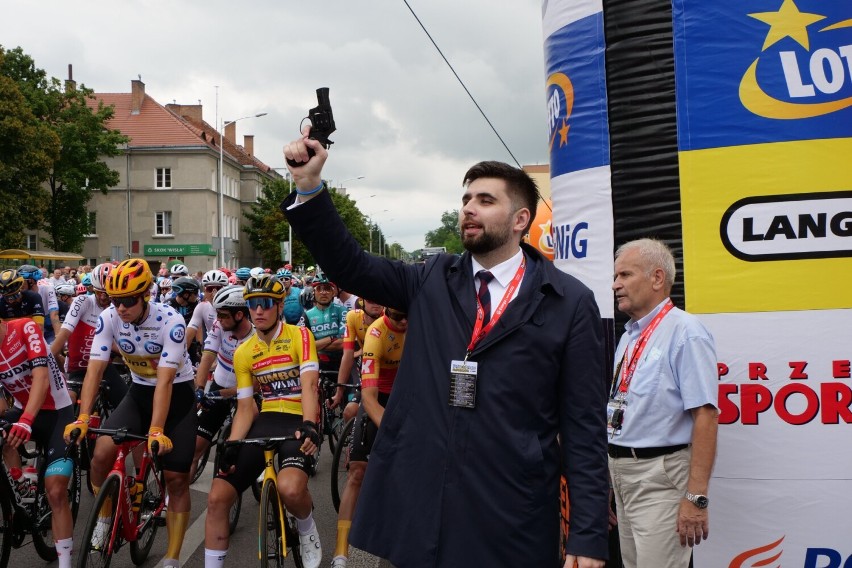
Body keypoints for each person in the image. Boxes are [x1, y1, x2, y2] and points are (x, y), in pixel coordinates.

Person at [282, 134, 609, 567]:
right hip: (424, 505)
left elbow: (583, 426)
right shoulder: (431, 278)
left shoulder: (568, 301)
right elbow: (350, 265)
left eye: (486, 200)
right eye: (466, 198)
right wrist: (309, 186)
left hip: (512, 511)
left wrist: (587, 536)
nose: (469, 208)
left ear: (520, 219)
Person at [64, 258, 197, 568]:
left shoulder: (171, 321)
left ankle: (173, 557)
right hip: (139, 392)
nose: (120, 307)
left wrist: (155, 430)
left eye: (127, 300)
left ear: (145, 296)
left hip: (176, 394)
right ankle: (105, 517)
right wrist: (83, 417)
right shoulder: (110, 317)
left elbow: (164, 381)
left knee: (177, 478)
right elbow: (95, 370)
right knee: (99, 456)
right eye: (114, 300)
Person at [608, 238, 719, 568]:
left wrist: (695, 498)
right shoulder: (630, 335)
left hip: (660, 478)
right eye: (616, 276)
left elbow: (705, 415)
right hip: (623, 473)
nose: (615, 285)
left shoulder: (687, 332)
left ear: (657, 278)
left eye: (625, 275)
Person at [204, 274, 322, 568]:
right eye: (254, 304)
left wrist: (310, 424)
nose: (259, 310)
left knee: (291, 489)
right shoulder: (245, 351)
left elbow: (308, 386)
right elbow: (245, 407)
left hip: (298, 417)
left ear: (280, 306)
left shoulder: (300, 336)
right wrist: (232, 443)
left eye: (266, 303)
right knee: (218, 497)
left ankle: (307, 528)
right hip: (267, 418)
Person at [331, 307, 408, 568]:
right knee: (357, 472)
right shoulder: (377, 331)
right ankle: (341, 552)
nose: (406, 320)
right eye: (400, 316)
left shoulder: (421, 325)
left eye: (410, 313)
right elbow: (369, 397)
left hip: (409, 396)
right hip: (378, 396)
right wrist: (393, 430)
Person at [0, 317, 77, 568]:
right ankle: (21, 485)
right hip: (24, 411)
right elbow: (1, 407)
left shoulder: (25, 328)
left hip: (57, 412)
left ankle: (65, 563)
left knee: (55, 491)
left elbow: (41, 379)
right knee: (4, 437)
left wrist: (25, 421)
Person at [189, 284, 255, 481]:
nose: (218, 319)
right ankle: (171, 503)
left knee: (247, 451)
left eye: (223, 315)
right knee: (194, 450)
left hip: (248, 393)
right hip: (219, 386)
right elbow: (208, 357)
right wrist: (200, 389)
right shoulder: (220, 326)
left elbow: (257, 385)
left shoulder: (257, 338)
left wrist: (220, 394)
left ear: (240, 315)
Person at [51, 263, 128, 408]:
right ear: (92, 288)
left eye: (108, 293)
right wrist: (45, 361)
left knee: (125, 405)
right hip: (78, 366)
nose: (103, 297)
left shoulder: (118, 309)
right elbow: (64, 333)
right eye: (99, 292)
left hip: (103, 367)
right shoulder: (83, 301)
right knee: (68, 402)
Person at [333, 298, 385, 422]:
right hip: (370, 373)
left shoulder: (390, 319)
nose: (376, 302)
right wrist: (339, 391)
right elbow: (347, 355)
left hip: (390, 376)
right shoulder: (353, 317)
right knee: (349, 412)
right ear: (361, 301)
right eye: (371, 299)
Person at [305, 275, 347, 375]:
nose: (323, 292)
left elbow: (343, 343)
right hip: (318, 362)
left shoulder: (343, 311)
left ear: (333, 292)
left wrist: (317, 344)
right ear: (314, 292)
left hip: (342, 361)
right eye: (319, 289)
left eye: (327, 289)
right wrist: (332, 338)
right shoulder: (307, 315)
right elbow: (305, 346)